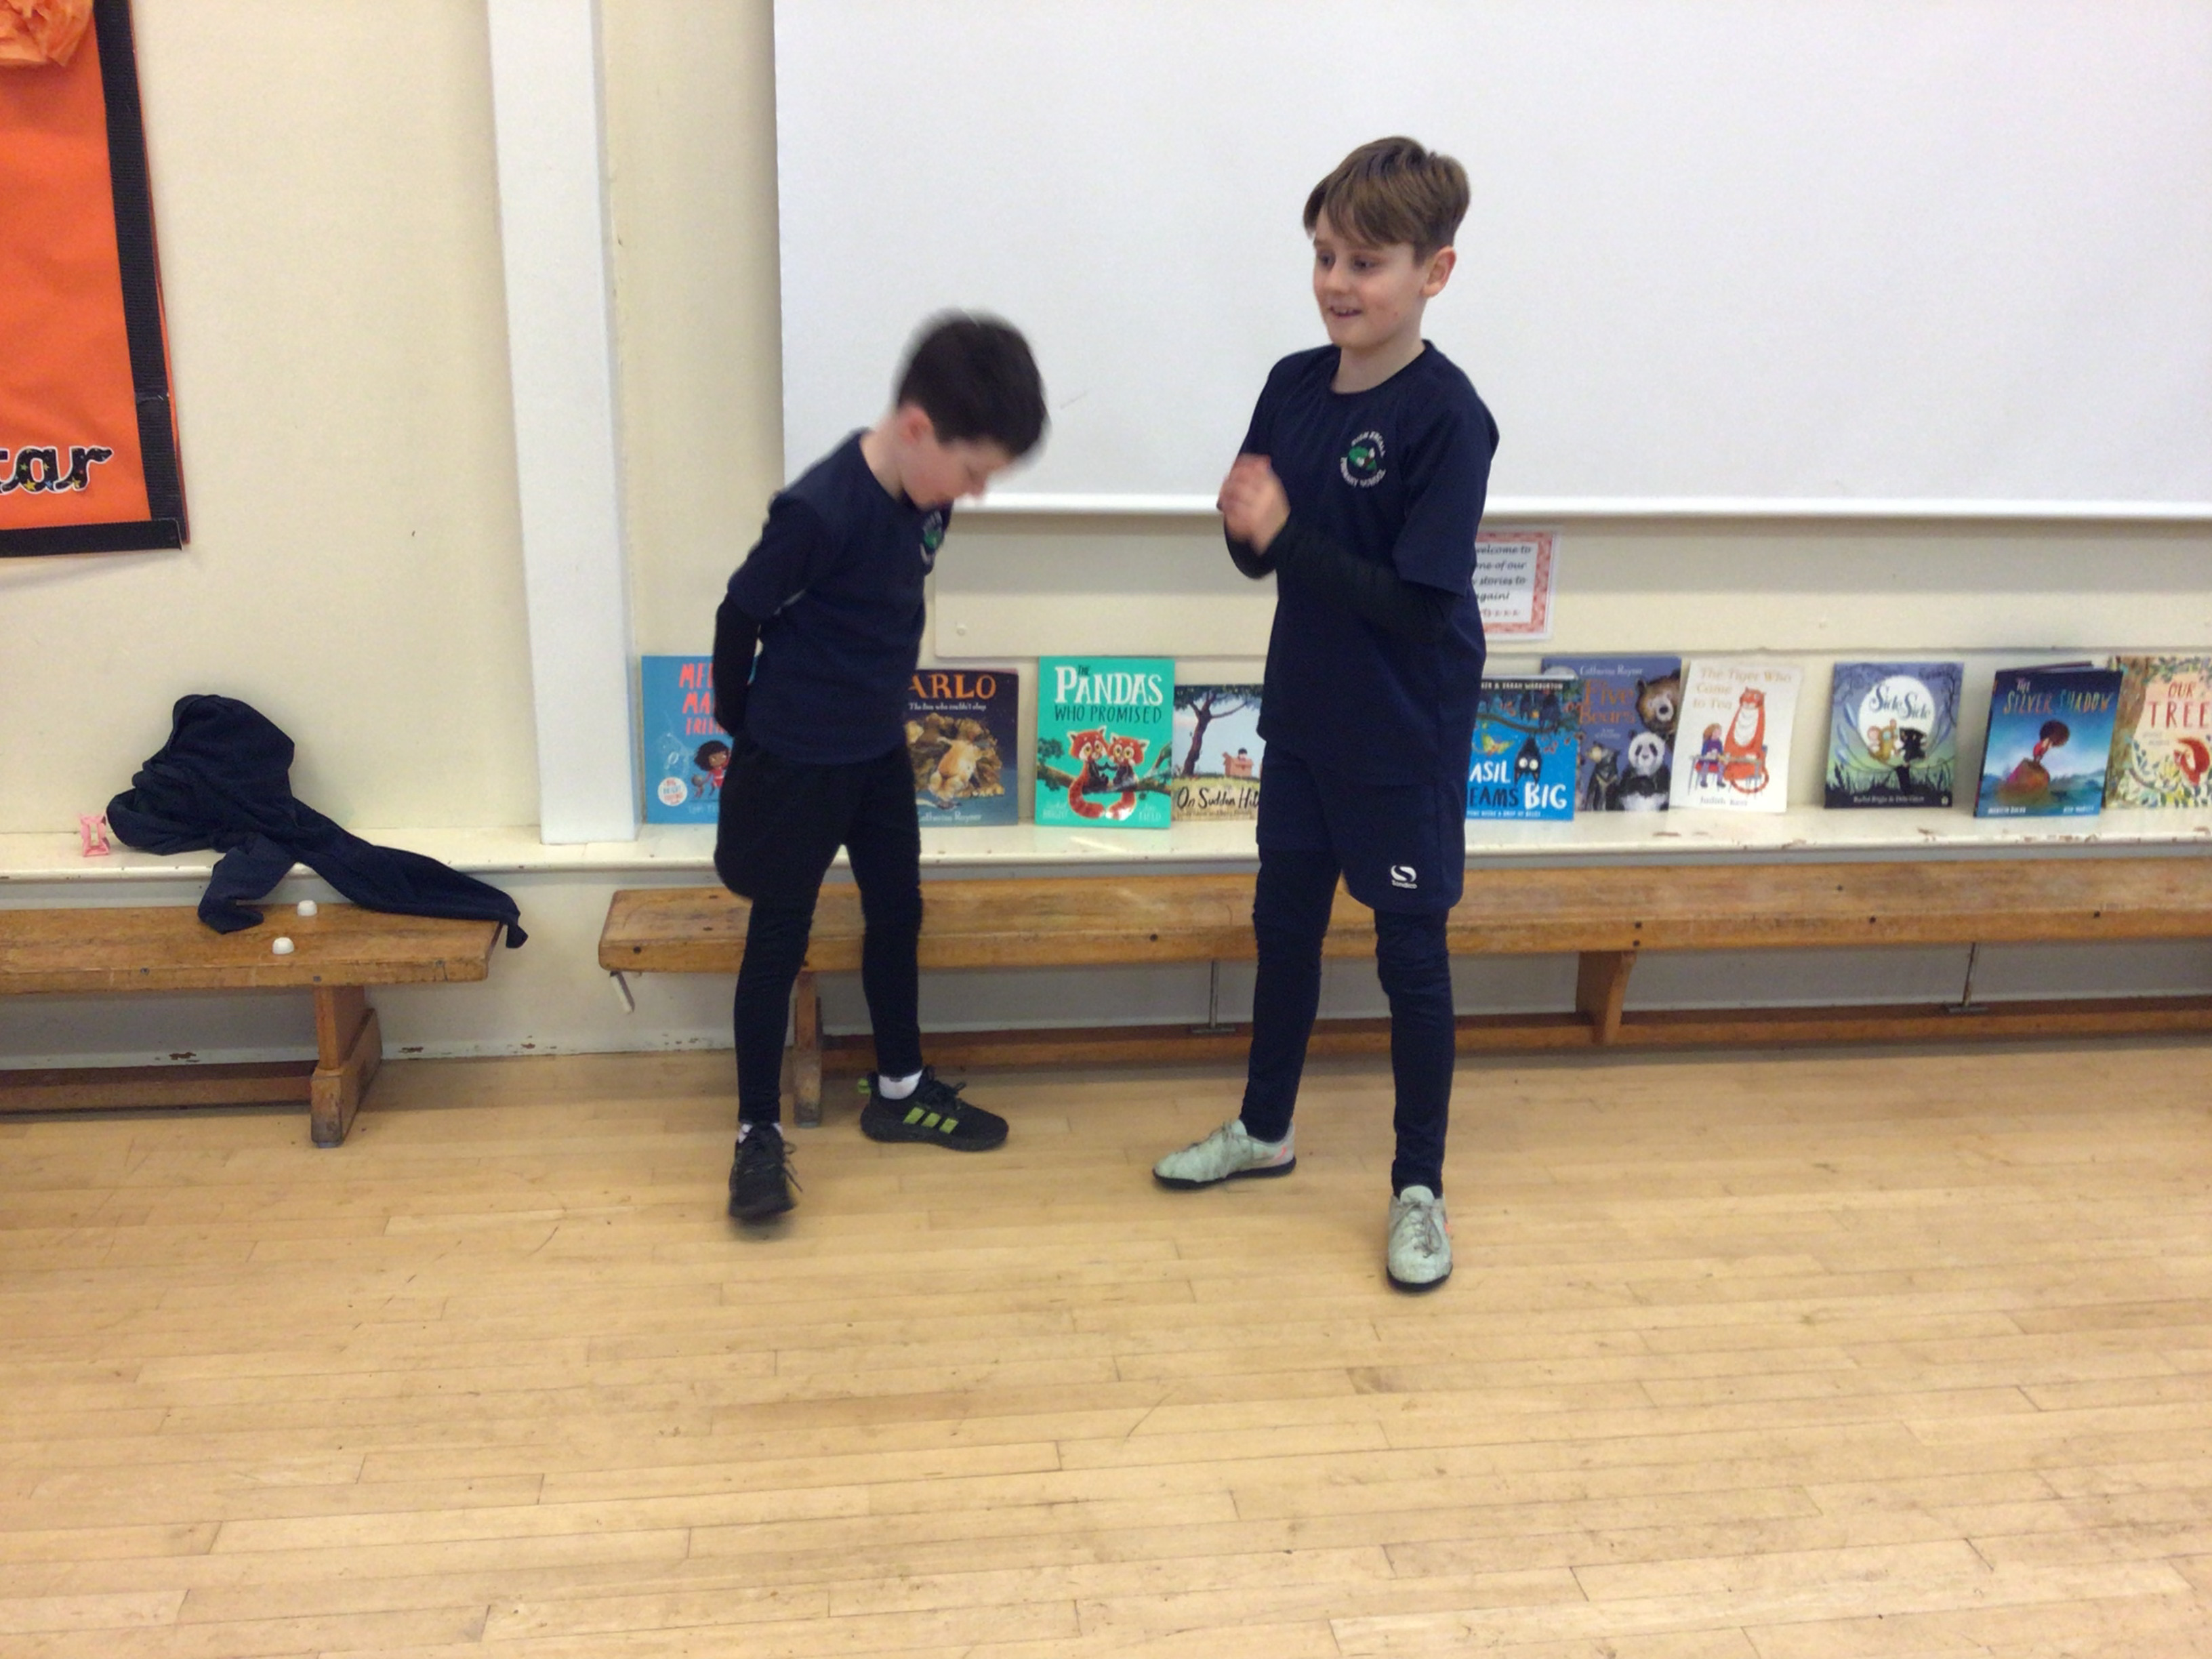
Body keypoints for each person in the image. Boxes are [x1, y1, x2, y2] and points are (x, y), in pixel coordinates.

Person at [1151, 138, 1498, 1291]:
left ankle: (1419, 1189)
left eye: (1366, 262)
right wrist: (1246, 528)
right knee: (1284, 927)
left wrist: (1285, 533)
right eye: (1324, 256)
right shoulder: (1292, 385)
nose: (1338, 283)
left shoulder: (1449, 417)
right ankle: (1265, 1129)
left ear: (1434, 272)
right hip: (1302, 716)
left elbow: (1416, 604)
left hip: (1402, 732)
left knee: (1411, 962)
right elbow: (1265, 561)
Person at [714, 314, 1047, 1223]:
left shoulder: (926, 496)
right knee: (778, 939)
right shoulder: (819, 511)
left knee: (898, 911)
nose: (975, 494)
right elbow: (739, 612)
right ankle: (755, 1134)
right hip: (795, 760)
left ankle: (899, 1089)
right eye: (973, 472)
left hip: (874, 752)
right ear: (916, 429)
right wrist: (741, 725)